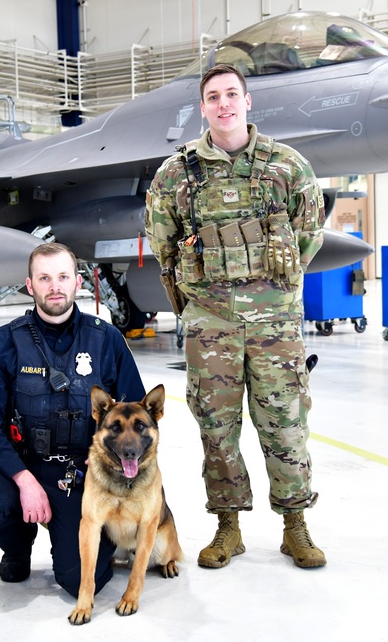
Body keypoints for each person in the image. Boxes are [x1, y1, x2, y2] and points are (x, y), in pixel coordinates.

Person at [144, 64, 328, 570]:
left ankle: (295, 528)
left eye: (231, 95)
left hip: (276, 325)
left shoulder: (286, 166)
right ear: (202, 108)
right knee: (216, 427)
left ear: (247, 102)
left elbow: (309, 235)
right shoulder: (175, 175)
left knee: (285, 425)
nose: (223, 104)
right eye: (213, 97)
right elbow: (163, 242)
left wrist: (270, 291)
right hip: (211, 325)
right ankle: (228, 527)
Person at [0, 243, 145, 597]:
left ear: (78, 282)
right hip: (19, 465)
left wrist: (108, 458)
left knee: (82, 582)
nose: (54, 286)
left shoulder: (107, 340)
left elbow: (136, 416)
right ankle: (17, 544)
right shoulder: (3, 344)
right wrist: (24, 480)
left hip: (80, 473)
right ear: (30, 285)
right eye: (44, 278)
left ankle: (101, 541)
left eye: (62, 277)